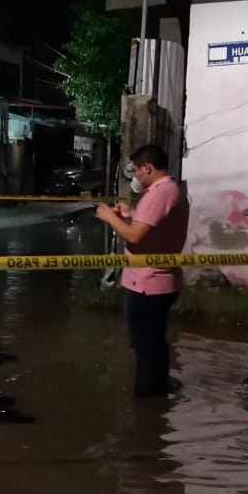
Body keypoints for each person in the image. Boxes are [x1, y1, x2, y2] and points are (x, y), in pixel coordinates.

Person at [95, 144, 190, 398]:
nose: (135, 176)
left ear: (148, 168)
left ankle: (146, 408)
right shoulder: (172, 190)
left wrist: (109, 217)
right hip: (159, 281)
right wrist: (128, 215)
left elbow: (136, 236)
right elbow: (150, 229)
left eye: (136, 171)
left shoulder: (160, 193)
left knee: (145, 350)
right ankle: (157, 409)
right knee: (154, 346)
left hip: (148, 284)